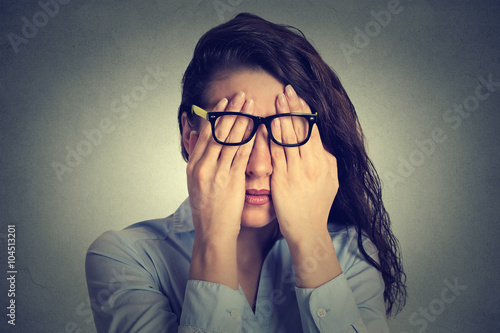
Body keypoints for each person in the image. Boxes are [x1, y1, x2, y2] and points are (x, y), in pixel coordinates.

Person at [86, 13, 407, 333]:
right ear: (189, 133)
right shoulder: (126, 258)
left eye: (287, 130)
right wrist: (214, 240)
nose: (260, 166)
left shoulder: (351, 252)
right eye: (234, 127)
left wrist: (311, 240)